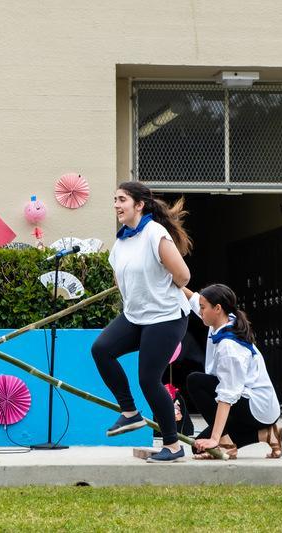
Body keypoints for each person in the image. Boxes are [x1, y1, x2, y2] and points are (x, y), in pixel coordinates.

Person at [91, 181, 192, 463]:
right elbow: (121, 282)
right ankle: (130, 412)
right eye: (114, 199)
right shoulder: (121, 242)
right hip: (136, 316)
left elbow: (183, 276)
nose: (116, 205)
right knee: (101, 349)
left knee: (148, 379)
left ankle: (173, 445)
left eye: (122, 199)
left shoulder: (154, 233)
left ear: (139, 205)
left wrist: (160, 290)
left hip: (166, 316)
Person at [182, 284, 282, 460]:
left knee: (196, 381)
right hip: (245, 401)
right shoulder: (223, 320)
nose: (200, 311)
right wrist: (169, 278)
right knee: (197, 447)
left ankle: (225, 443)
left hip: (257, 407)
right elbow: (193, 298)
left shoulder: (229, 347)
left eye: (203, 308)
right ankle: (268, 434)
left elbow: (227, 395)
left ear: (217, 308)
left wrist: (215, 439)